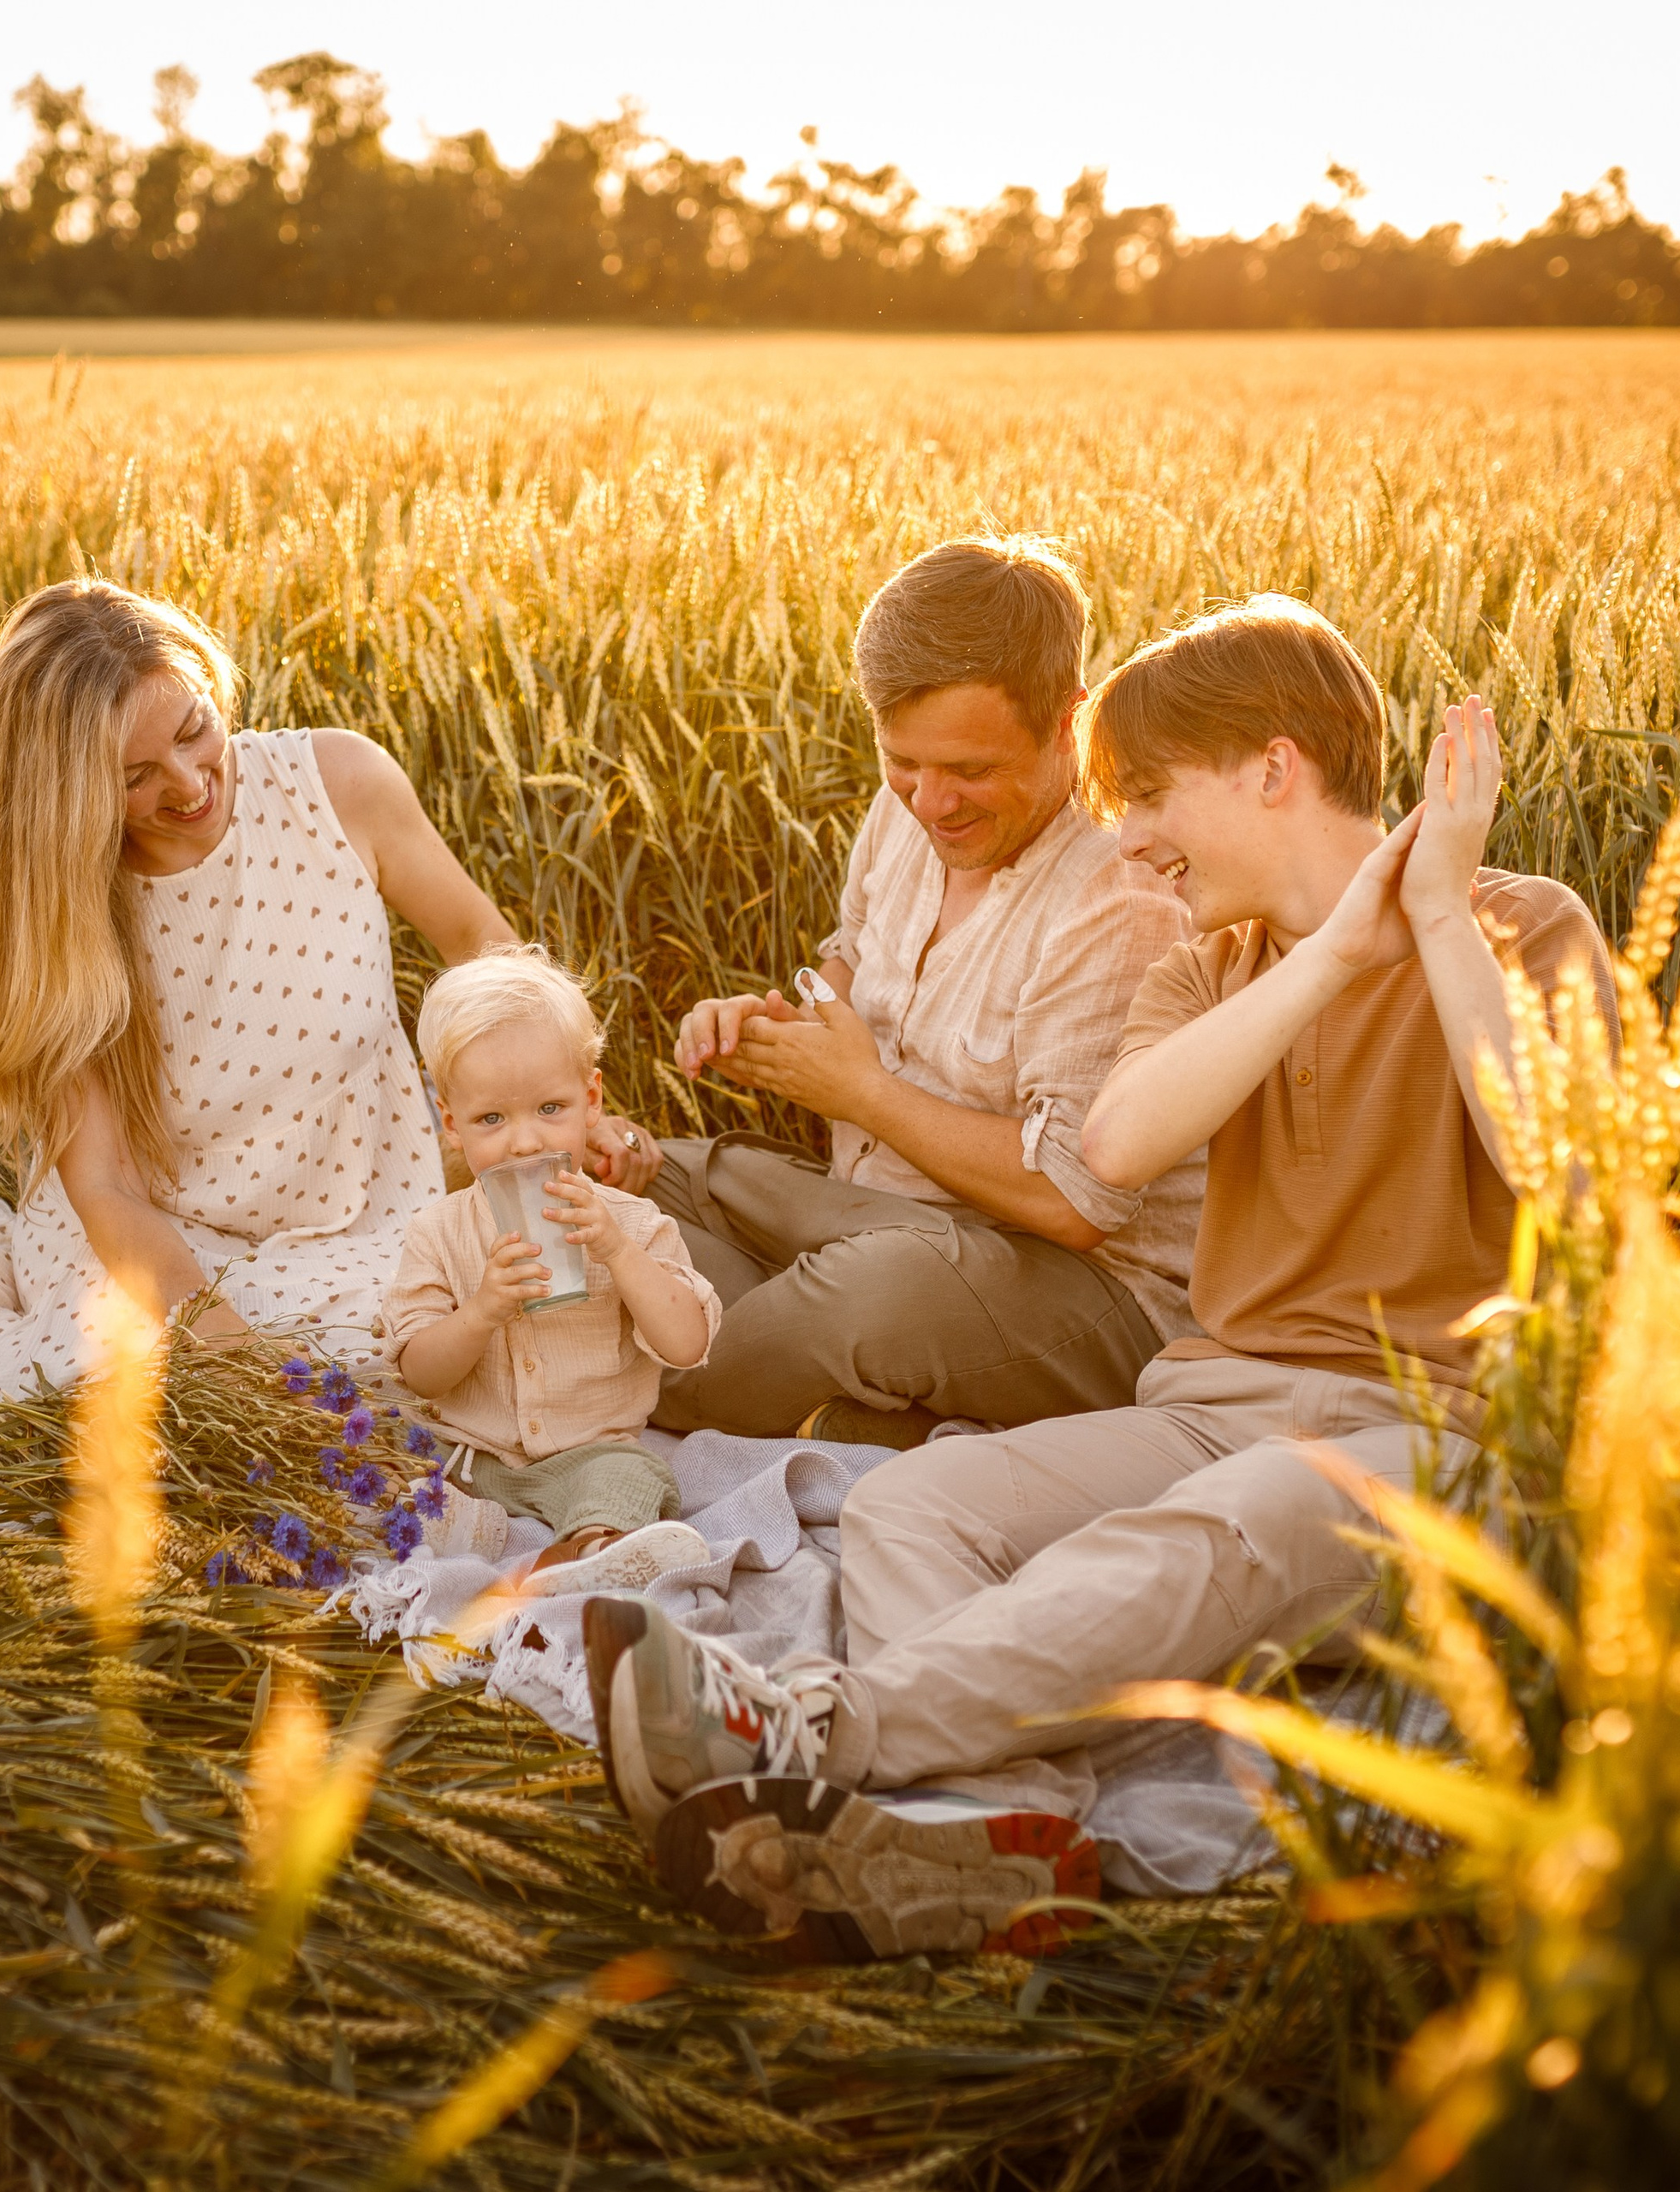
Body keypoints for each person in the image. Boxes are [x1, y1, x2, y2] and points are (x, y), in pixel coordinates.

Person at [584, 594, 1613, 1959]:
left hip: (1444, 1434)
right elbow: (1121, 1143)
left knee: (1224, 1525)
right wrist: (1332, 960)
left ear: (1273, 766)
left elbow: (1567, 1177)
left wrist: (1428, 921)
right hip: (1213, 1399)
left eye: (1150, 797)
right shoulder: (1205, 973)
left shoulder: (1524, 925)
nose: (1126, 836)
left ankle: (816, 1731)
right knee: (920, 1507)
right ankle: (1000, 1838)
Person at [0, 580, 662, 1416]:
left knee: (482, 1332)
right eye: (134, 776)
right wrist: (224, 1346)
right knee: (132, 1383)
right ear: (66, 797)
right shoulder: (63, 909)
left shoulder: (338, 786)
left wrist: (569, 1117)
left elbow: (485, 952)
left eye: (193, 729)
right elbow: (108, 1188)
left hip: (363, 1224)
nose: (189, 782)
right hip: (150, 1245)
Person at [650, 535, 1201, 1447]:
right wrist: (784, 1019)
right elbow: (849, 957)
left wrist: (861, 1092)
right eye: (902, 760)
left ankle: (625, 1378)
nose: (931, 803)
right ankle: (845, 1404)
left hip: (1077, 1293)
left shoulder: (1120, 891)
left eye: (972, 771)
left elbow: (1076, 1203)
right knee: (634, 1172)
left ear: (1070, 716)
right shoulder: (909, 803)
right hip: (873, 1219)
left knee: (871, 1295)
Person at [384, 948, 718, 1595]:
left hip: (587, 1454)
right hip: (467, 1457)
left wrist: (618, 1253)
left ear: (591, 1100)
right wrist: (480, 1312)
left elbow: (687, 1343)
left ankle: (578, 1552)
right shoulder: (439, 1233)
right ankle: (465, 1524)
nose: (526, 1142)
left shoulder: (634, 1224)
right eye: (491, 1119)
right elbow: (418, 1373)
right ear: (451, 1126)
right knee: (393, 1464)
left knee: (638, 1478)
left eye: (549, 1109)